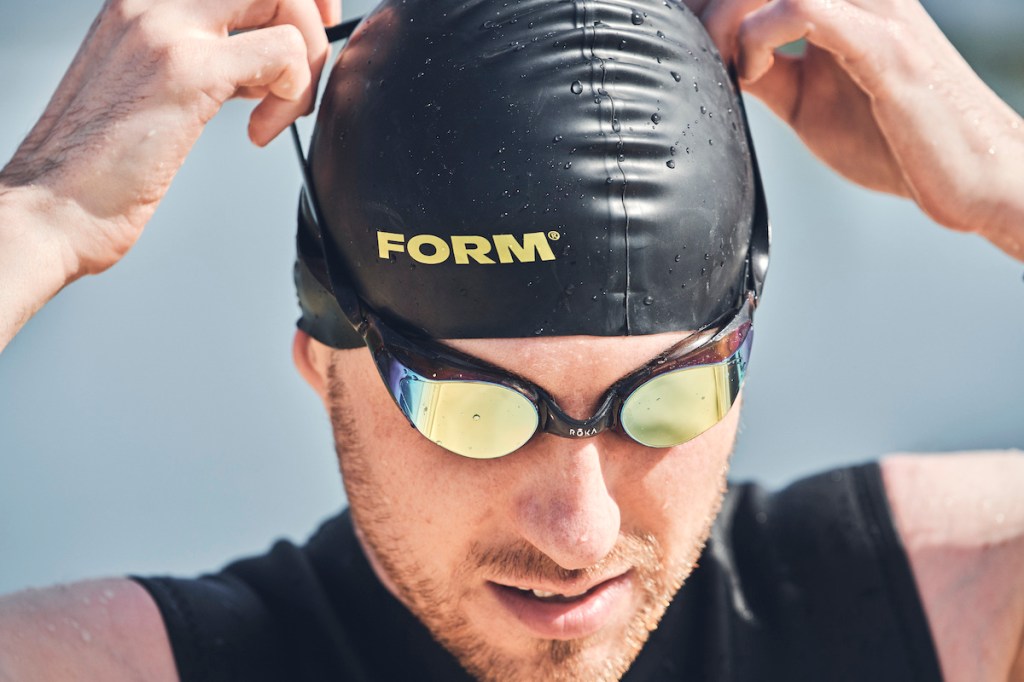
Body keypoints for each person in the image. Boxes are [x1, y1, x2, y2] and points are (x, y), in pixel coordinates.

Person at [0, 0, 1021, 680]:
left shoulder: (946, 609)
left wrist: (1007, 180)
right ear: (324, 368)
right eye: (474, 407)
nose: (577, 530)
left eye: (666, 397)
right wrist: (39, 217)